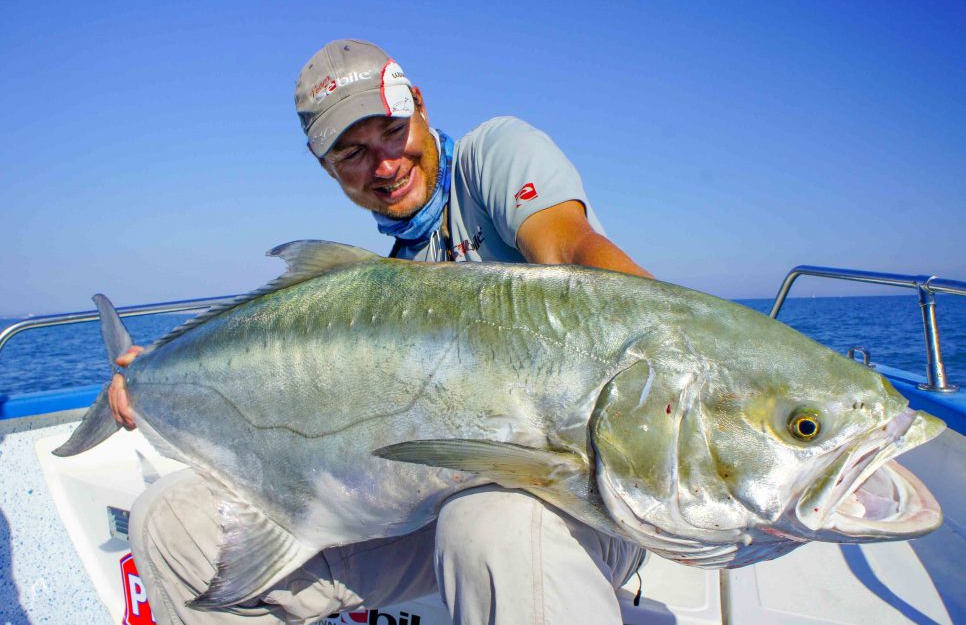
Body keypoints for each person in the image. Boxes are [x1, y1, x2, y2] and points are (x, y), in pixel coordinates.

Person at [109, 39, 652, 624]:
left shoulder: (493, 157)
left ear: (419, 104)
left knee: (491, 525)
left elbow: (567, 247)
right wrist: (155, 379)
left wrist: (664, 345)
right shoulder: (391, 272)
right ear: (327, 168)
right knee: (170, 522)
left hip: (584, 489)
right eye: (353, 153)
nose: (386, 166)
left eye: (392, 131)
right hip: (431, 504)